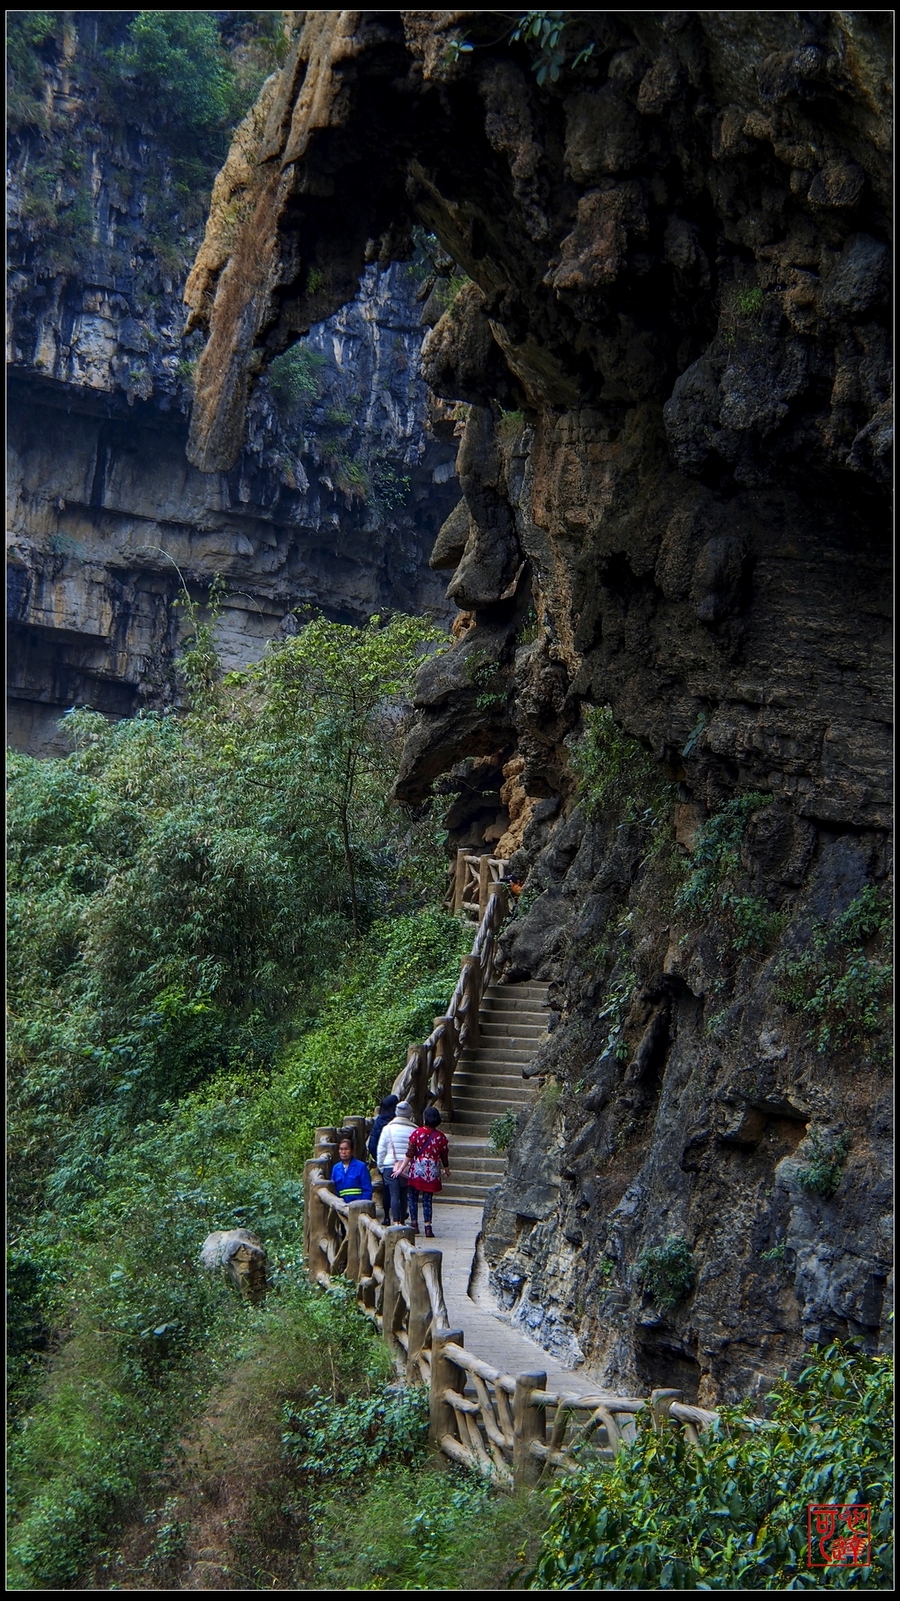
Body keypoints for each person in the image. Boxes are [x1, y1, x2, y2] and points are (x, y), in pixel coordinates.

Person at [402, 1106, 450, 1238]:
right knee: (428, 1198)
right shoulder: (441, 1137)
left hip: (417, 1169)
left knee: (412, 1196)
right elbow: (444, 1154)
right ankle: (428, 1226)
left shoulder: (416, 1133)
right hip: (432, 1170)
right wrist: (446, 1168)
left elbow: (411, 1151)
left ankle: (414, 1224)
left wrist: (403, 1166)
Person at [375, 1100, 417, 1224]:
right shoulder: (415, 1130)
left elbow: (381, 1149)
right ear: (410, 1114)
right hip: (407, 1167)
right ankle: (402, 1220)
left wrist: (380, 1165)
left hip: (390, 1165)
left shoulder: (387, 1129)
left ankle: (396, 1221)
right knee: (404, 1194)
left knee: (394, 1194)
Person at [367, 1094, 398, 1223]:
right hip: (400, 1161)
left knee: (386, 1189)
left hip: (385, 1162)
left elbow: (372, 1144)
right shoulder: (397, 1121)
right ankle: (399, 1215)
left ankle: (386, 1217)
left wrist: (379, 1159)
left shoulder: (379, 1122)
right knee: (399, 1190)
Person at [330, 1133, 373, 1204]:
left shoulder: (361, 1166)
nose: (344, 1152)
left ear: (352, 1151)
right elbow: (333, 1189)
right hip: (342, 1206)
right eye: (341, 1149)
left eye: (346, 1149)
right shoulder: (336, 1168)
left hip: (358, 1205)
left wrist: (363, 1205)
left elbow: (367, 1189)